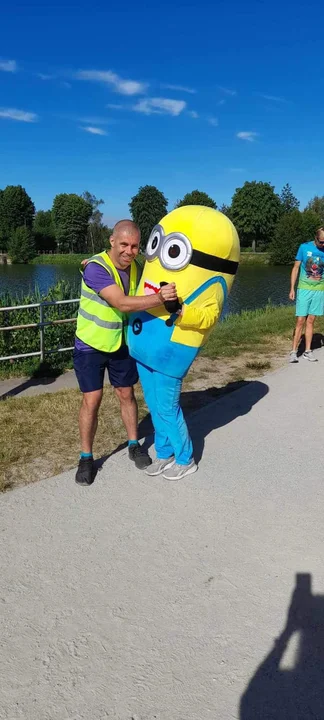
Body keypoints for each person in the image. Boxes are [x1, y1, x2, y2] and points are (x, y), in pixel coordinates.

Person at [73, 219, 177, 486]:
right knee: (92, 400)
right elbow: (120, 302)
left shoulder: (137, 268)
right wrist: (160, 299)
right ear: (111, 241)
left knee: (126, 393)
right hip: (91, 344)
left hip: (121, 343)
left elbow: (152, 285)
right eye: (123, 244)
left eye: (134, 246)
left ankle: (133, 444)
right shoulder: (96, 268)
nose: (129, 251)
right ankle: (86, 458)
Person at [289, 227, 324, 363]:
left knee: (311, 320)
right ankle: (293, 351)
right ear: (316, 239)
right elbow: (296, 268)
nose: (323, 245)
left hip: (319, 289)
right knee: (300, 321)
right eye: (321, 242)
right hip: (304, 288)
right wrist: (292, 288)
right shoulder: (304, 248)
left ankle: (307, 351)